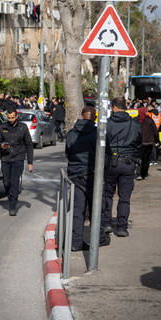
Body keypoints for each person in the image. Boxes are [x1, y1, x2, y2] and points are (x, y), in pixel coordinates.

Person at [66, 106, 110, 251]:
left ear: (82, 116)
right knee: (96, 208)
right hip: (92, 174)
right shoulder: (98, 134)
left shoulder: (71, 133)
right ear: (95, 117)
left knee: (78, 209)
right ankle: (99, 238)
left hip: (76, 174)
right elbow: (105, 156)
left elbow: (68, 152)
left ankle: (75, 242)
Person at [102, 97, 141, 237]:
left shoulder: (106, 124)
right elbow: (139, 142)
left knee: (107, 194)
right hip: (128, 163)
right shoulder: (134, 124)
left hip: (110, 163)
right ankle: (122, 227)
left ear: (113, 107)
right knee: (124, 197)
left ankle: (106, 223)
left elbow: (102, 143)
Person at [0, 109, 34, 216]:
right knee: (7, 182)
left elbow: (29, 145)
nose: (10, 120)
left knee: (14, 182)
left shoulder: (23, 127)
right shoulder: (2, 127)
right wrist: (1, 145)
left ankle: (12, 206)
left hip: (18, 158)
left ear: (16, 117)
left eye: (12, 117)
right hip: (6, 158)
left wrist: (30, 162)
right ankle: (10, 196)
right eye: (9, 117)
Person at [137, 106, 156, 180]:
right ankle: (144, 173)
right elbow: (154, 130)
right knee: (146, 159)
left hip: (139, 142)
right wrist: (157, 140)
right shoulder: (149, 120)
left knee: (139, 158)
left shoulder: (136, 120)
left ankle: (139, 173)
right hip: (148, 142)